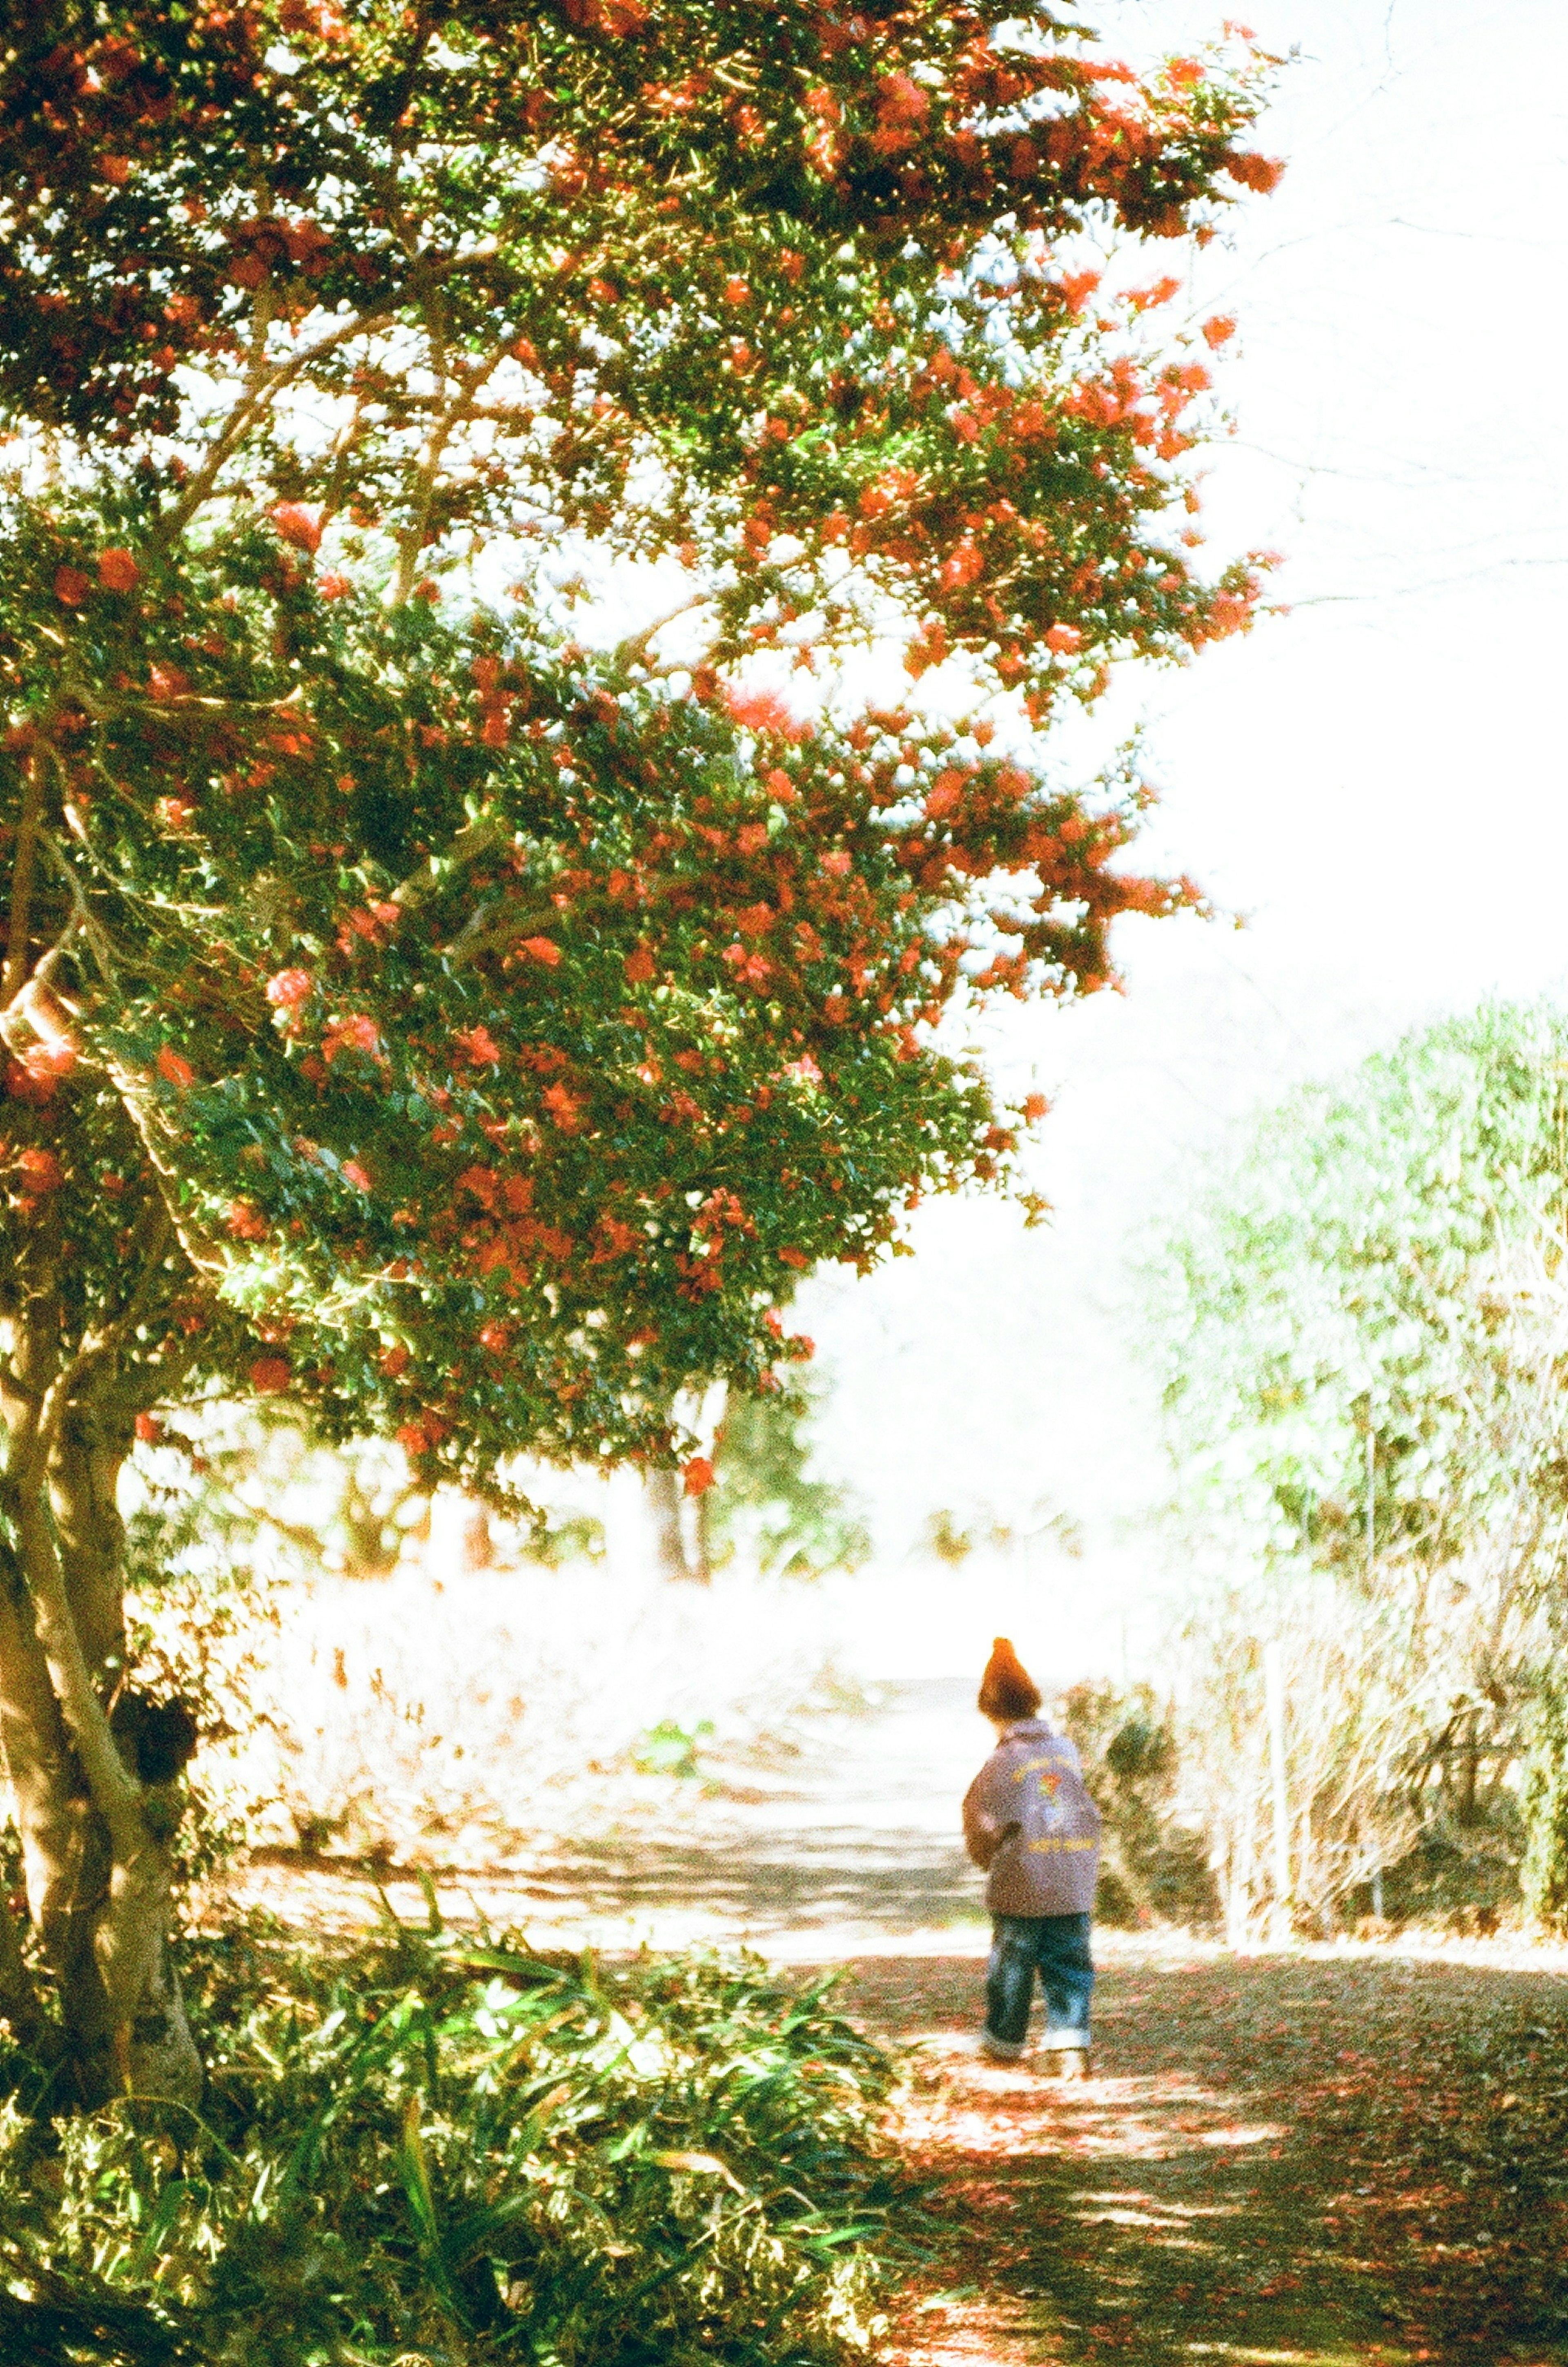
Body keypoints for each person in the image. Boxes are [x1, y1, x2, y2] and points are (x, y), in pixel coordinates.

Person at [962, 1637, 1102, 2075]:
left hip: (1021, 1882)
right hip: (1072, 1878)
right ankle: (1070, 2049)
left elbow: (979, 1821)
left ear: (990, 1710)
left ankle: (1004, 2044)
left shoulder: (1000, 1764)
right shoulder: (1067, 1752)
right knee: (1070, 1963)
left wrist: (988, 1860)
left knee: (1013, 1966)